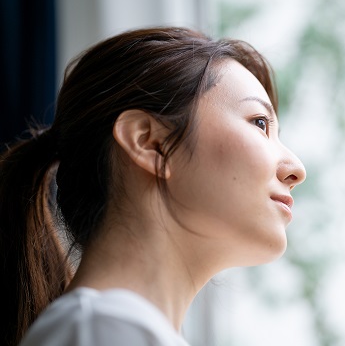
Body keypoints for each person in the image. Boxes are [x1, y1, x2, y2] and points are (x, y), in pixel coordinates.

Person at [0, 27, 306, 346]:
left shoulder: (104, 329)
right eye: (260, 123)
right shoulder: (101, 329)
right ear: (150, 142)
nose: (296, 169)